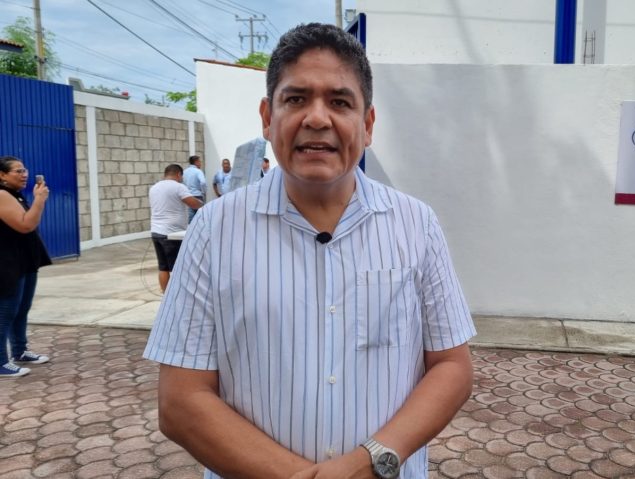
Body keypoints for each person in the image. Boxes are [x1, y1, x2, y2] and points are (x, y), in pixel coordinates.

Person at [144, 23, 476, 479]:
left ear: (368, 124)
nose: (317, 118)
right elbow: (181, 400)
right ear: (267, 116)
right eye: (296, 99)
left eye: (340, 102)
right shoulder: (214, 230)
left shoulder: (416, 224)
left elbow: (451, 366)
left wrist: (372, 461)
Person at [0, 156, 52, 378]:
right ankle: (1, 362)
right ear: (2, 175)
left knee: (22, 308)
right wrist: (39, 199)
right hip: (8, 262)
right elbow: (25, 224)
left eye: (25, 170)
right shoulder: (2, 195)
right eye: (18, 171)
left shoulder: (15, 194)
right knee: (6, 311)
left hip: (25, 259)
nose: (24, 174)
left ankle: (20, 351)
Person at [148, 164, 203, 292]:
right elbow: (193, 204)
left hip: (156, 232)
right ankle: (178, 294)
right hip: (172, 234)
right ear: (179, 174)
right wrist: (204, 204)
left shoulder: (154, 188)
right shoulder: (178, 187)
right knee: (178, 268)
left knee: (163, 267)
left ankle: (165, 295)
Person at [183, 155, 206, 223]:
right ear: (196, 162)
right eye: (199, 161)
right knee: (200, 218)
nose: (200, 163)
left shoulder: (184, 172)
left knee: (190, 218)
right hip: (197, 196)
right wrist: (203, 192)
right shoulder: (198, 171)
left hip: (187, 197)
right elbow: (203, 182)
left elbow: (181, 183)